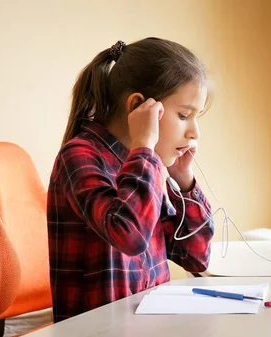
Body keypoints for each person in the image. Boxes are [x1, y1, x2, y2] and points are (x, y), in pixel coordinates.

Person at [47, 37, 214, 322]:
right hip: (98, 329)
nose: (194, 132)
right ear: (138, 106)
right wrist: (145, 148)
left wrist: (184, 180)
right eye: (184, 115)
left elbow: (195, 257)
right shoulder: (80, 155)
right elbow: (129, 235)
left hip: (144, 325)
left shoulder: (146, 164)